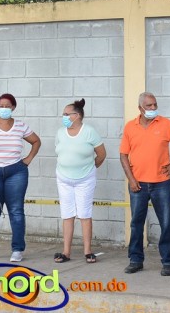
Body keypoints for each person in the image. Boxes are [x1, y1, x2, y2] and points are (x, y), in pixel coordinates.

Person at [119, 92, 170, 276]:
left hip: (161, 184)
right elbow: (123, 155)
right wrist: (131, 179)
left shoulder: (165, 124)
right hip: (138, 184)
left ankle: (168, 261)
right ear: (140, 108)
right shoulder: (130, 127)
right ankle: (135, 260)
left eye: (154, 105)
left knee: (166, 223)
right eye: (149, 106)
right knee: (136, 223)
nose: (153, 108)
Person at [0, 93, 41, 263]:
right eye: (1, 106)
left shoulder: (20, 126)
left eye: (7, 106)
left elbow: (36, 141)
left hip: (16, 172)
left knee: (16, 211)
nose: (4, 108)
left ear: (13, 107)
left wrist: (28, 159)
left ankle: (17, 249)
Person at [53, 99, 107, 263]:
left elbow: (101, 154)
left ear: (77, 115)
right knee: (67, 214)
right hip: (63, 178)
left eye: (66, 114)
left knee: (84, 214)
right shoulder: (60, 132)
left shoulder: (89, 131)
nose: (64, 117)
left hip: (85, 179)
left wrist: (89, 168)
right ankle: (66, 252)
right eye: (63, 114)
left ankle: (88, 251)